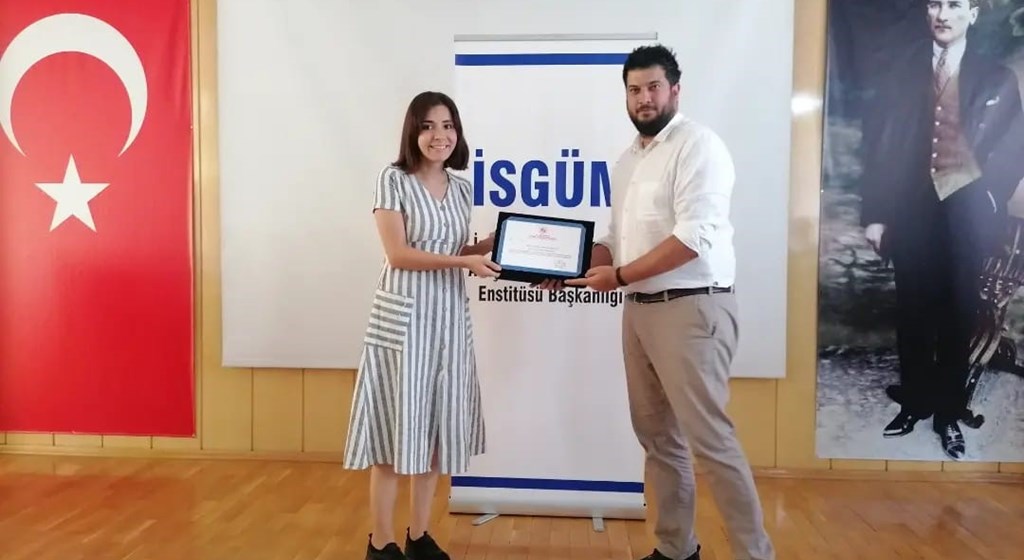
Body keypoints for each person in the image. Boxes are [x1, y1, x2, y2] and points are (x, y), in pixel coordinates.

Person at [541, 44, 774, 560]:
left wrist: (619, 275)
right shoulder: (628, 160)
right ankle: (675, 549)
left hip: (692, 308)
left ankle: (754, 553)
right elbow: (615, 240)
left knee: (711, 443)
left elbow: (693, 238)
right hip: (640, 311)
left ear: (675, 90)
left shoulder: (698, 146)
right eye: (634, 89)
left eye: (653, 87)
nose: (643, 98)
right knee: (658, 439)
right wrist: (565, 267)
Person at [858, 0, 1024, 459]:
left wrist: (989, 199)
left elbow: (1014, 146)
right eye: (934, 3)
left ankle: (949, 411)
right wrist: (877, 213)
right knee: (912, 310)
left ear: (973, 13)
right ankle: (915, 400)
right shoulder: (901, 73)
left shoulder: (996, 77)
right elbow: (880, 144)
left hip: (968, 216)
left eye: (954, 4)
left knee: (958, 313)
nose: (943, 14)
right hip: (912, 211)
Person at [342, 91, 501, 560]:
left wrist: (498, 245)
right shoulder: (393, 180)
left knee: (433, 436)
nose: (439, 136)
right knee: (393, 436)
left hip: (448, 321)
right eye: (428, 126)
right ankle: (381, 542)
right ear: (413, 131)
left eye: (448, 125)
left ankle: (419, 535)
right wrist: (463, 261)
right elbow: (399, 254)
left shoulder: (463, 189)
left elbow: (458, 251)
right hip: (404, 323)